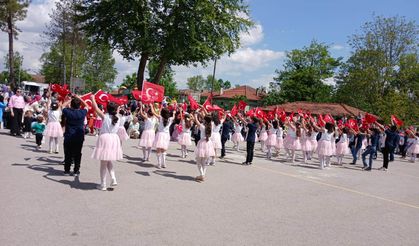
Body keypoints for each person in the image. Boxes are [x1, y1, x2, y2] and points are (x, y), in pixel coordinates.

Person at [91, 96, 123, 191]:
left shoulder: (105, 116)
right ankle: (113, 177)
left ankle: (103, 184)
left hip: (105, 138)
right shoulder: (119, 118)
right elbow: (117, 111)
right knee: (109, 160)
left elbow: (96, 108)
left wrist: (93, 99)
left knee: (103, 163)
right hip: (114, 139)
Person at [62, 95, 89, 176]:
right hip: (79, 136)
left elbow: (62, 106)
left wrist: (70, 99)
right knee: (78, 153)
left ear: (71, 105)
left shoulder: (68, 111)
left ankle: (67, 170)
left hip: (69, 135)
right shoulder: (82, 112)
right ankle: (76, 170)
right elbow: (87, 106)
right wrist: (80, 98)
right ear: (79, 105)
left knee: (68, 153)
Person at [191, 113, 214, 182]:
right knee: (204, 161)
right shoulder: (211, 125)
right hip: (208, 143)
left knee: (198, 161)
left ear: (204, 120)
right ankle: (202, 175)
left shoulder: (202, 126)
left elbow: (196, 120)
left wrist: (196, 114)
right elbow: (208, 119)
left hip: (202, 143)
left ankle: (202, 175)